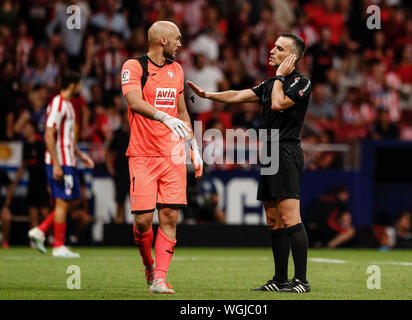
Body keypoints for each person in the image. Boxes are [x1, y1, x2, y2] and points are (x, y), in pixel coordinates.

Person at [188, 33, 312, 293]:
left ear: (292, 57)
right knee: (273, 220)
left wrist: (279, 75)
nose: (272, 50)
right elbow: (237, 95)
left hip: (286, 150)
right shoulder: (270, 83)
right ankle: (280, 280)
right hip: (269, 153)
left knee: (290, 217)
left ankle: (301, 281)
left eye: (279, 48)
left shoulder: (301, 82)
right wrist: (207, 94)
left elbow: (278, 104)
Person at [121, 21, 202, 294]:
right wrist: (162, 116)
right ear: (163, 41)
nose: (181, 44)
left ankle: (160, 279)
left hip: (172, 155)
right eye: (177, 39)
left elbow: (181, 112)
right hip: (142, 154)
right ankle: (149, 266)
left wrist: (193, 145)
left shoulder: (177, 70)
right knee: (143, 221)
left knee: (169, 216)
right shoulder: (134, 67)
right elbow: (133, 101)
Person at [28, 71, 94, 258]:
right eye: (80, 84)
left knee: (72, 200)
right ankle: (58, 245)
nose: (81, 88)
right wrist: (56, 164)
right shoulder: (58, 104)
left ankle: (40, 230)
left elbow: (67, 139)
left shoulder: (69, 106)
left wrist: (81, 156)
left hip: (69, 162)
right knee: (62, 202)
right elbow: (49, 134)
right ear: (73, 85)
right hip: (60, 162)